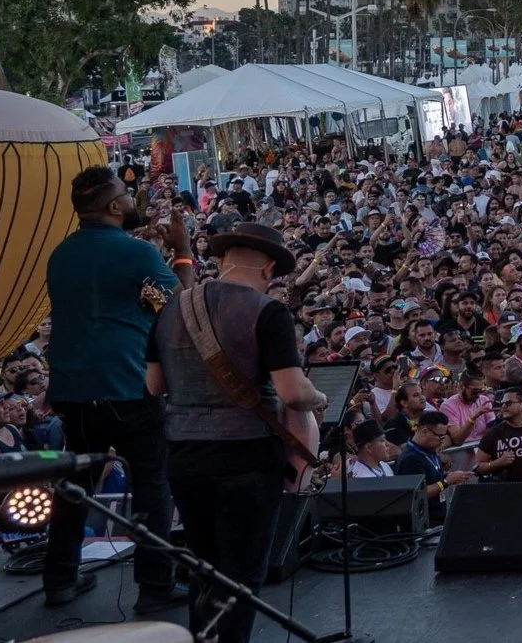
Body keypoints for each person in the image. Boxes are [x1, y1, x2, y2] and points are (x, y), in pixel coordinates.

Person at [147, 221, 324, 643]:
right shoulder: (268, 311)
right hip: (247, 458)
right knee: (241, 575)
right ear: (269, 268)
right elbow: (292, 392)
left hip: (185, 455)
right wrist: (318, 396)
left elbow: (154, 385)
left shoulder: (171, 308)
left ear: (224, 259)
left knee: (204, 567)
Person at [42, 166, 192, 613]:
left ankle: (60, 580)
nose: (132, 199)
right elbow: (182, 309)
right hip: (126, 387)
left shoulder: (61, 253)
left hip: (71, 390)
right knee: (151, 485)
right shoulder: (136, 253)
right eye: (126, 194)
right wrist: (182, 251)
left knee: (76, 484)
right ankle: (155, 586)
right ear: (113, 206)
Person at [392, 411, 471, 525]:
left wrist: (449, 475)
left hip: (439, 517)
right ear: (425, 431)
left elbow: (431, 477)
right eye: (440, 436)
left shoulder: (430, 450)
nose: (442, 441)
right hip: (424, 522)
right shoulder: (410, 459)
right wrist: (447, 481)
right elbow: (418, 493)